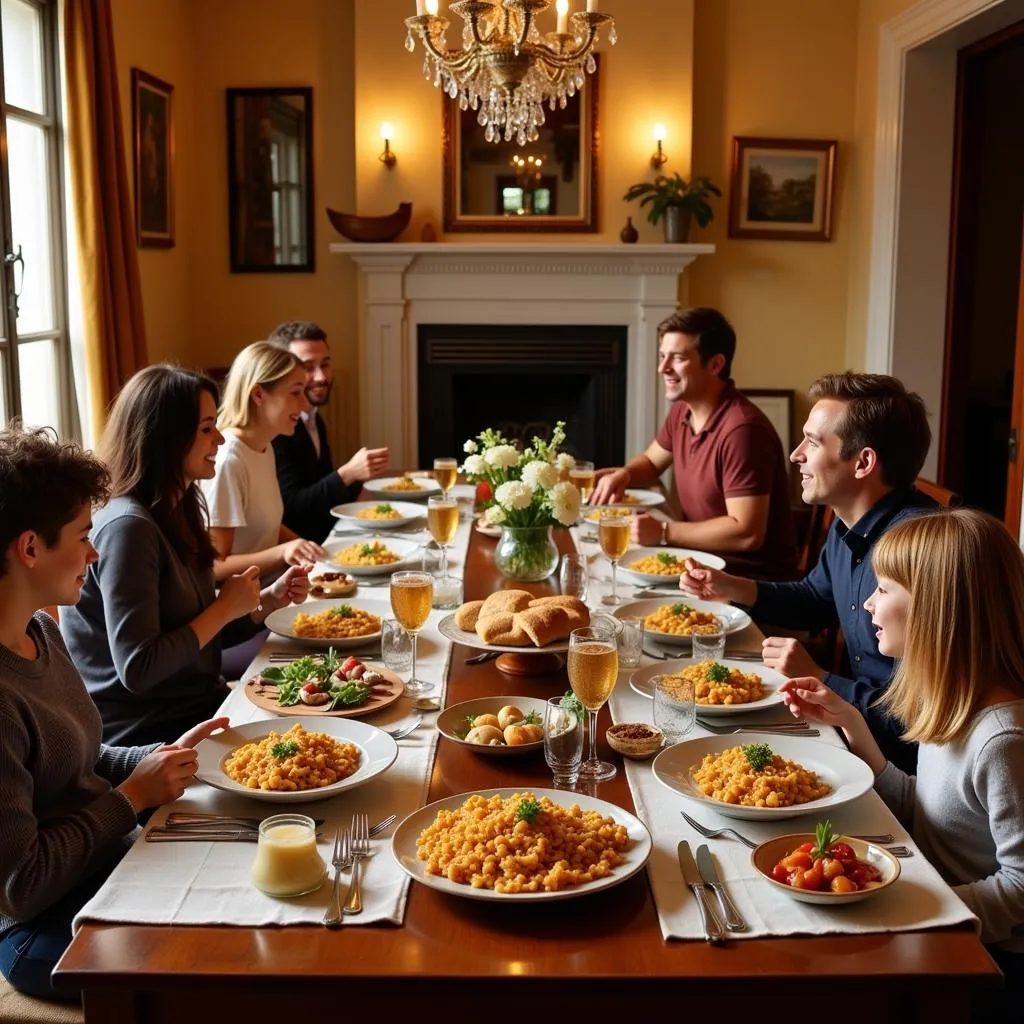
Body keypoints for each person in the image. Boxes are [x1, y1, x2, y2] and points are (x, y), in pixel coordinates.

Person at [0, 424, 228, 1001]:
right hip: (39, 930)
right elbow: (19, 887)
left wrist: (155, 755)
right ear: (29, 548)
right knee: (218, 965)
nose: (95, 552)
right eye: (82, 535)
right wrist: (132, 799)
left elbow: (79, 758)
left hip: (102, 866)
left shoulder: (41, 632)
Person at [779, 508, 1024, 1024]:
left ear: (937, 609)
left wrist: (907, 907)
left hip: (981, 964)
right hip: (934, 910)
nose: (867, 603)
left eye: (885, 589)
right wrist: (853, 725)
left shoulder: (1002, 739)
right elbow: (930, 812)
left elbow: (1021, 891)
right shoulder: (954, 701)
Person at [680, 371, 935, 773]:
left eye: (813, 443)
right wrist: (732, 586)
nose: (796, 454)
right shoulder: (848, 518)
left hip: (898, 764)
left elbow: (919, 717)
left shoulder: (921, 553)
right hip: (855, 729)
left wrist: (821, 678)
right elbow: (817, 600)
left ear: (863, 462)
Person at [60, 366, 310, 746]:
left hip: (196, 705)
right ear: (168, 437)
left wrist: (266, 601)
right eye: (207, 428)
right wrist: (225, 608)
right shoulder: (129, 528)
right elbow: (139, 667)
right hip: (147, 733)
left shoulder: (178, 506)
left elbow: (195, 634)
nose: (221, 438)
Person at [590, 307, 798, 581]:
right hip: (700, 564)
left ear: (715, 364)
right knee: (599, 574)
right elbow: (652, 462)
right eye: (663, 356)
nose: (663, 368)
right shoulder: (683, 411)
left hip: (746, 584)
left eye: (677, 358)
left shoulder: (743, 430)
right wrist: (625, 474)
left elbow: (747, 533)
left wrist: (665, 532)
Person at [201, 341, 326, 581]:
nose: (305, 403)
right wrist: (283, 552)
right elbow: (215, 567)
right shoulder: (229, 460)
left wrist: (307, 548)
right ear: (258, 394)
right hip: (244, 605)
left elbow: (263, 526)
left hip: (275, 586)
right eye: (295, 392)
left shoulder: (264, 446)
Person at [269, 321, 389, 543]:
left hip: (325, 535)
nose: (321, 377)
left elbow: (319, 488)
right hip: (300, 549)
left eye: (325, 364)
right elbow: (291, 509)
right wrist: (348, 474)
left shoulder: (314, 419)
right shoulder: (278, 430)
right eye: (307, 367)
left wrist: (360, 487)